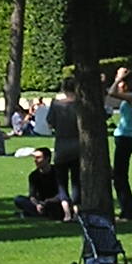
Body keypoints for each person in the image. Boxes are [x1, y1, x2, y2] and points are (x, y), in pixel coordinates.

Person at [107, 70, 132, 220]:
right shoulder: (129, 97)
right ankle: (126, 211)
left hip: (125, 138)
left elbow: (111, 93)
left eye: (120, 81)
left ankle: (128, 212)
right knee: (119, 176)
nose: (118, 84)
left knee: (120, 178)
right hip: (122, 138)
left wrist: (118, 79)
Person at [48, 75, 82, 211]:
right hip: (78, 146)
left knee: (61, 181)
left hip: (61, 145)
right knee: (76, 181)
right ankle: (77, 209)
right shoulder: (81, 105)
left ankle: (66, 211)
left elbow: (50, 124)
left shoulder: (56, 104)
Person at [14, 148, 71, 221]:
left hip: (55, 201)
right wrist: (37, 204)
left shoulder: (57, 173)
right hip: (40, 202)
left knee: (54, 205)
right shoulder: (33, 175)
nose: (35, 160)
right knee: (18, 199)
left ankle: (36, 213)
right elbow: (32, 195)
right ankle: (43, 213)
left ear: (47, 159)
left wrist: (47, 202)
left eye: (38, 158)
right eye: (35, 158)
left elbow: (62, 193)